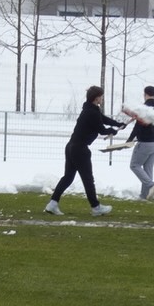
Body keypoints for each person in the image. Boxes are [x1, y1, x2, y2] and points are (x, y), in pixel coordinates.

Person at [44, 85, 125, 216]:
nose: (102, 99)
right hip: (80, 149)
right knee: (88, 179)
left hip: (71, 146)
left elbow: (103, 119)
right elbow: (102, 129)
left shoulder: (90, 109)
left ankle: (52, 204)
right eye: (101, 97)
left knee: (68, 177)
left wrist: (118, 123)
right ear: (96, 98)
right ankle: (96, 207)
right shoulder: (91, 112)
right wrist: (112, 131)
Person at [126, 85, 154, 200]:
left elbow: (138, 125)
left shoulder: (144, 108)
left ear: (145, 94)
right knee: (148, 168)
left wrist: (130, 139)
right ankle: (145, 195)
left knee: (134, 165)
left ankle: (151, 185)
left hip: (145, 142)